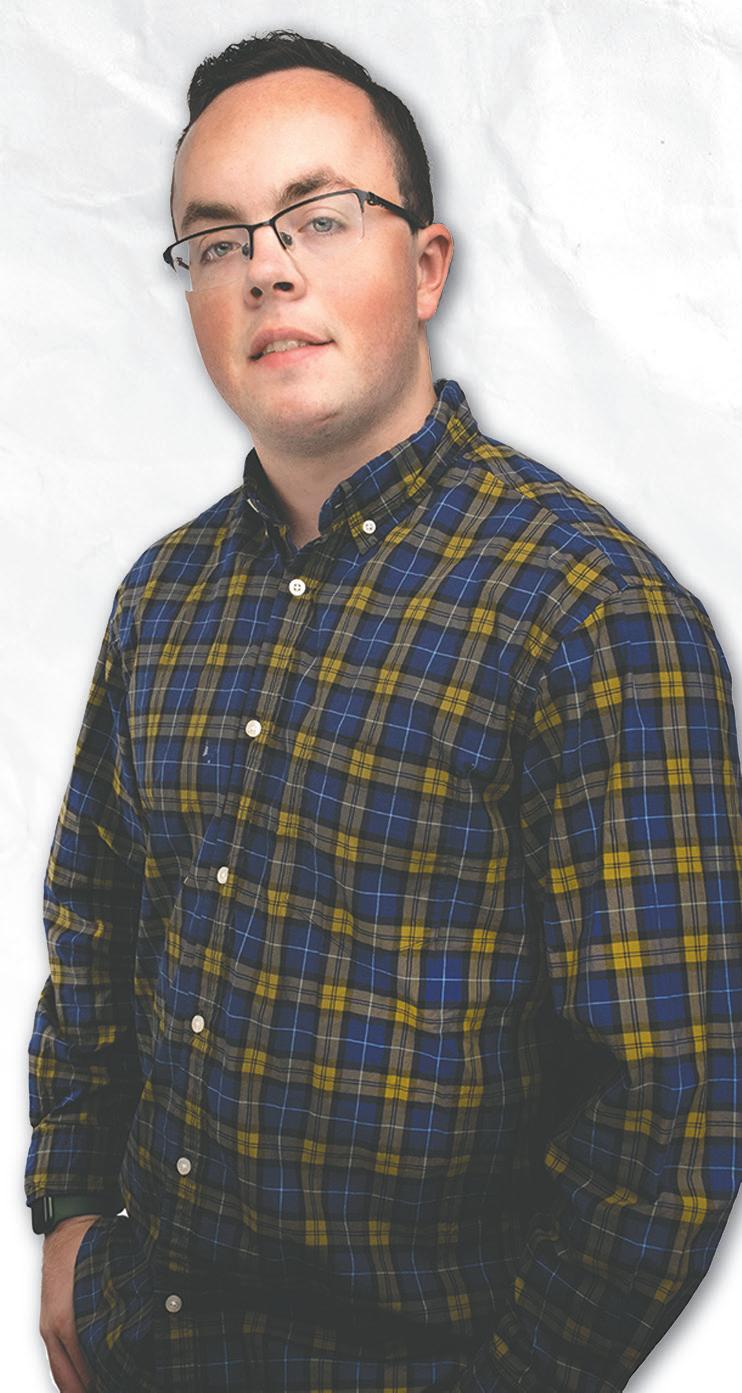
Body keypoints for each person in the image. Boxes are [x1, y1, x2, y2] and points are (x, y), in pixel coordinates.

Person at [26, 26, 742, 1393]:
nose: (266, 267)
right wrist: (67, 1212)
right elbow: (96, 922)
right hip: (145, 1345)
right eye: (217, 239)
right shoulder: (162, 597)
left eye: (319, 216)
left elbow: (669, 1113)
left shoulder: (588, 612)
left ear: (425, 267)